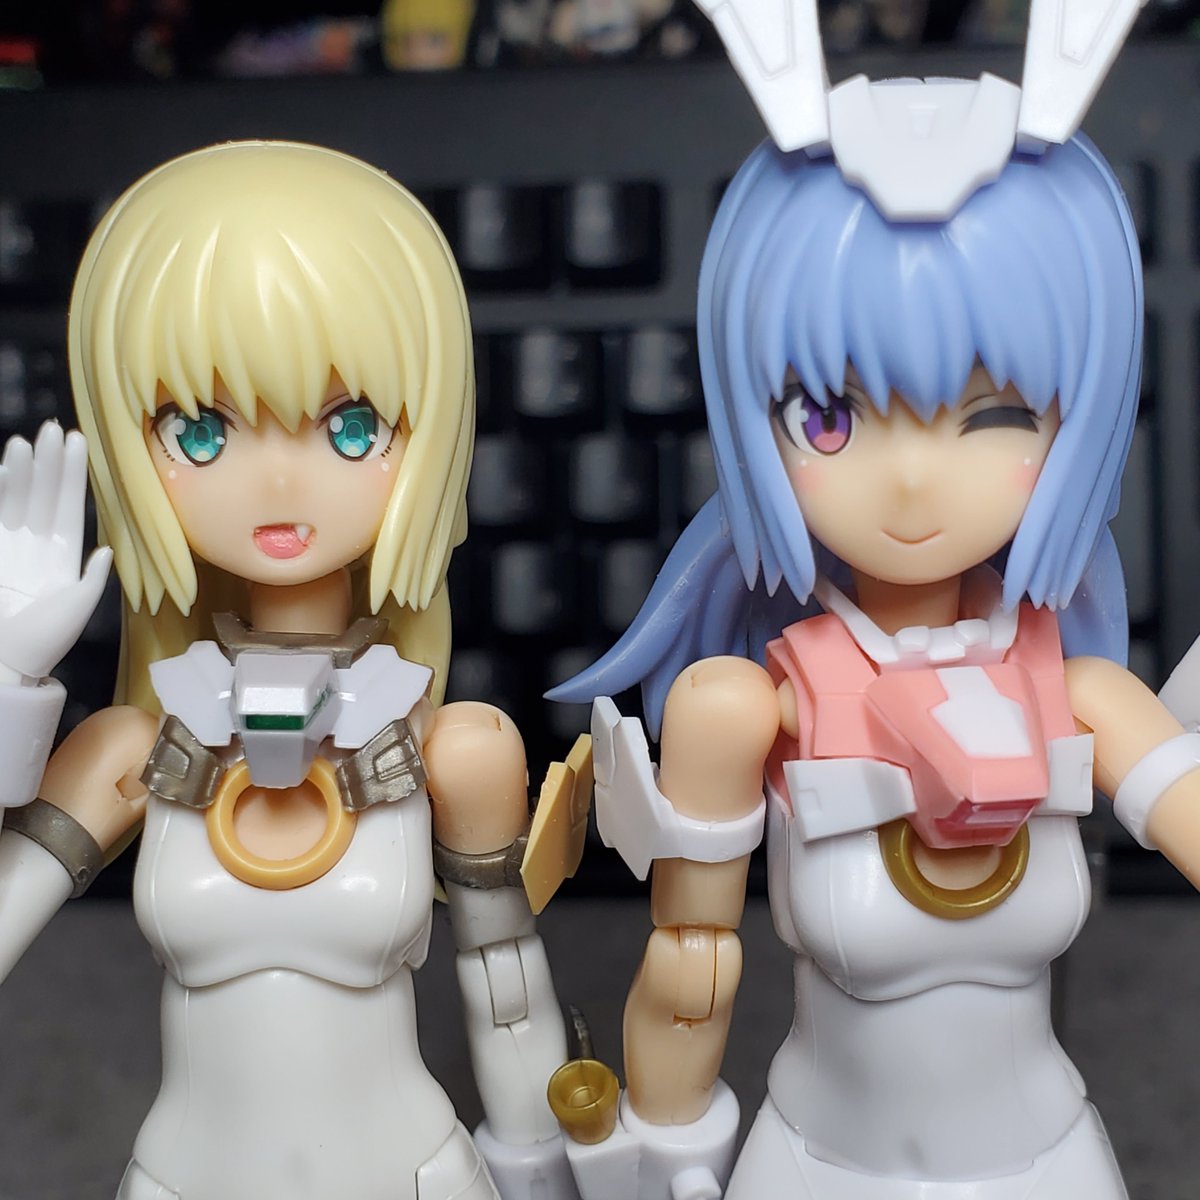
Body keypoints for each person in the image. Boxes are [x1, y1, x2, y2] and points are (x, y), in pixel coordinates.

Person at [550, 17, 1200, 1197]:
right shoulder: (746, 708)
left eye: (998, 414)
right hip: (821, 1165)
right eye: (830, 417)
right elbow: (692, 964)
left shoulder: (1083, 696)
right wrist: (659, 1149)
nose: (910, 482)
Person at [0, 140, 578, 1200]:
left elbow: (506, 991)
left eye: (351, 427)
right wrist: (4, 682)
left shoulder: (449, 748)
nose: (276, 483)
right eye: (200, 432)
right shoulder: (138, 746)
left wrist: (544, 1170)